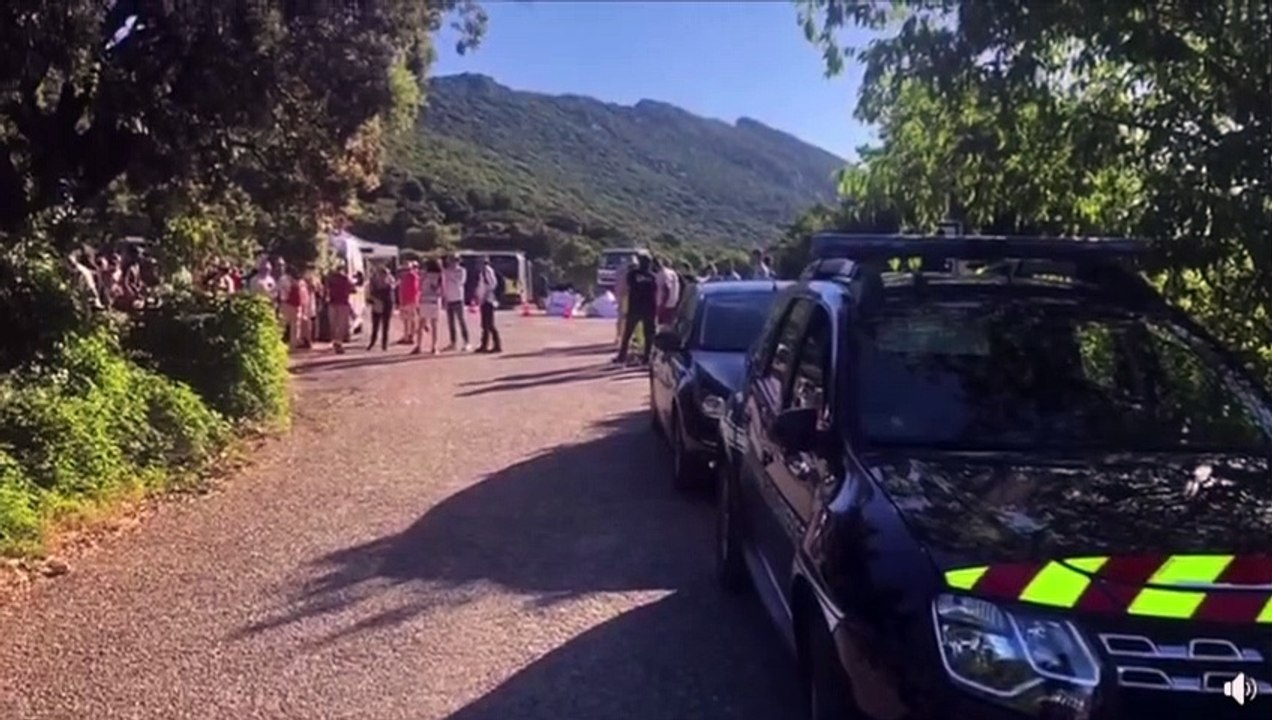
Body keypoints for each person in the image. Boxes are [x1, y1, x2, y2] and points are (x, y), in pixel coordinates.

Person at [615, 255, 657, 365]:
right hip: (649, 308)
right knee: (649, 335)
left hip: (635, 307)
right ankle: (646, 358)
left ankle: (622, 357)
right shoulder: (653, 276)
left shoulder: (632, 274)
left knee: (628, 334)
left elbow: (628, 286)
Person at [414, 258, 444, 355]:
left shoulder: (423, 275)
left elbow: (419, 287)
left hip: (424, 300)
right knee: (434, 325)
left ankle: (418, 346)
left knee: (421, 324)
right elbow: (441, 290)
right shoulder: (439, 276)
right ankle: (434, 347)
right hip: (434, 301)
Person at [441, 254, 470, 352]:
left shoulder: (461, 270)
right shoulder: (446, 271)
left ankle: (466, 342)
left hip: (458, 298)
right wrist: (444, 297)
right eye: (451, 261)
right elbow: (444, 284)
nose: (452, 263)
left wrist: (450, 275)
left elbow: (460, 282)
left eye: (455, 260)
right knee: (451, 322)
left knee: (461, 321)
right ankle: (453, 342)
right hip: (449, 298)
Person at [474, 255, 502, 353]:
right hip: (484, 300)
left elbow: (492, 284)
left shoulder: (487, 271)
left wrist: (485, 295)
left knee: (489, 324)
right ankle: (484, 345)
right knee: (485, 324)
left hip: (488, 300)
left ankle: (497, 345)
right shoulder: (483, 272)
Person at [325, 265, 354, 354]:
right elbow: (352, 289)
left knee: (333, 324)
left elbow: (326, 290)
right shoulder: (345, 279)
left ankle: (336, 342)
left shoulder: (330, 279)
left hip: (332, 303)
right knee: (341, 325)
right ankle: (338, 343)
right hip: (343, 304)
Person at [366, 265, 395, 351]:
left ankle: (384, 344)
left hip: (386, 305)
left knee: (385, 325)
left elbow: (390, 295)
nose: (383, 276)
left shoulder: (389, 283)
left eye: (385, 274)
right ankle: (373, 342)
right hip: (378, 304)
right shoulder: (374, 282)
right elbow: (370, 293)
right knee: (376, 325)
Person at [397, 261, 421, 345]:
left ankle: (411, 336)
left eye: (406, 269)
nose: (404, 271)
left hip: (410, 301)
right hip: (406, 301)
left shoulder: (413, 276)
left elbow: (415, 290)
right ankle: (406, 336)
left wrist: (410, 300)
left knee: (411, 319)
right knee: (406, 320)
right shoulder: (404, 278)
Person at [655, 255, 681, 327]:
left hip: (664, 304)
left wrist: (662, 306)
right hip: (672, 303)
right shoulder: (673, 273)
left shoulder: (663, 274)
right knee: (668, 325)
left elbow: (666, 289)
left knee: (662, 326)